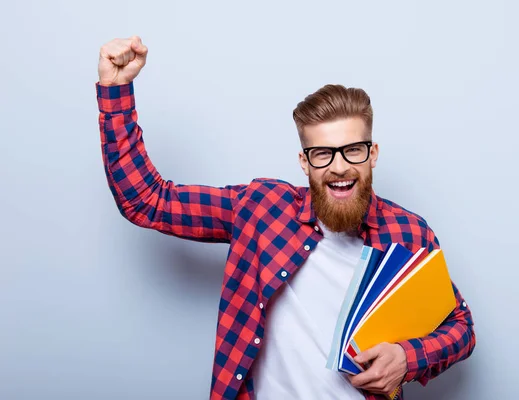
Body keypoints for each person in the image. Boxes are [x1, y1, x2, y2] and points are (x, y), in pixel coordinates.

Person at [95, 35, 476, 400]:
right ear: (304, 162)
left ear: (373, 153)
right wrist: (116, 92)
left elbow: (461, 327)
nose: (339, 167)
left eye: (353, 150)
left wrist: (407, 358)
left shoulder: (408, 233)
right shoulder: (263, 210)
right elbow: (148, 200)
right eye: (322, 154)